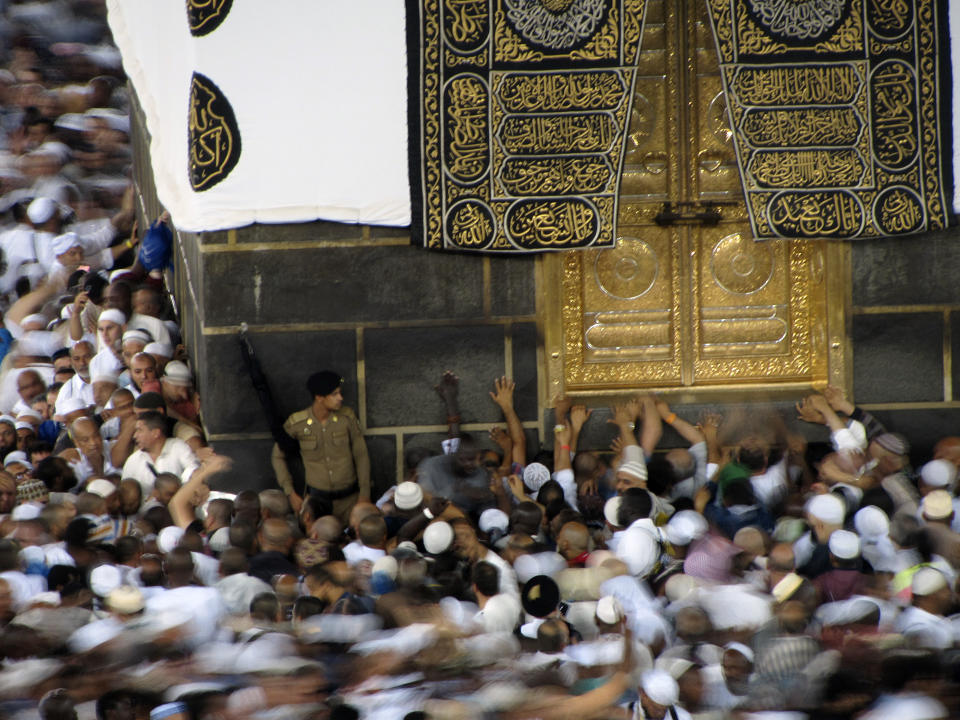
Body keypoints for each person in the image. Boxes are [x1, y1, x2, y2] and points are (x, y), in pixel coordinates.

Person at [271, 370, 369, 523]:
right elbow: (278, 456)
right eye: (335, 394)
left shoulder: (347, 418)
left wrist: (364, 495)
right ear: (319, 397)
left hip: (349, 501)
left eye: (340, 393)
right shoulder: (297, 423)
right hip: (317, 502)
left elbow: (361, 455)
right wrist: (290, 492)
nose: (340, 398)